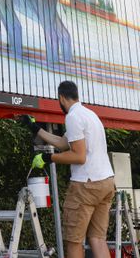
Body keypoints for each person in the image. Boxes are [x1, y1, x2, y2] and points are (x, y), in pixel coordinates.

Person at [22, 80, 115, 258]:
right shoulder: (90, 114)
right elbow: (63, 143)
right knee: (97, 238)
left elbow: (79, 157)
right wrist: (35, 128)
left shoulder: (72, 117)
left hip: (86, 185)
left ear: (61, 98)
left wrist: (48, 158)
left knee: (73, 241)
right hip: (106, 182)